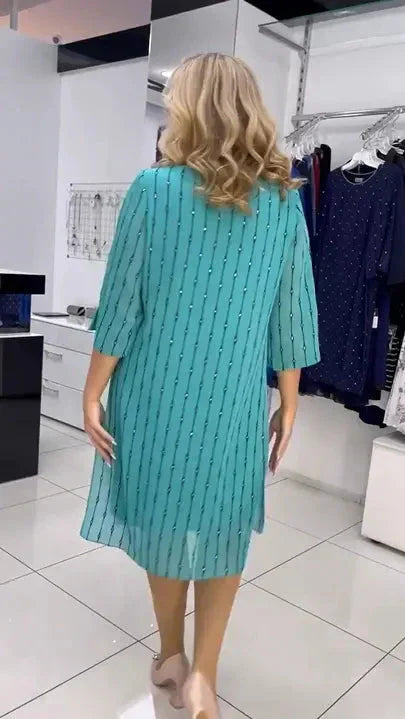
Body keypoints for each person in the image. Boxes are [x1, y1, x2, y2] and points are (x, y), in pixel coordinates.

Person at [81, 53, 319, 719]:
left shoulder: (152, 190)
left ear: (189, 108)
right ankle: (203, 678)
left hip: (154, 396)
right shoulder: (283, 202)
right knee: (223, 528)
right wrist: (289, 401)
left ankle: (172, 655)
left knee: (161, 521)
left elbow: (120, 307)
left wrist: (91, 391)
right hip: (233, 402)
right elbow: (291, 312)